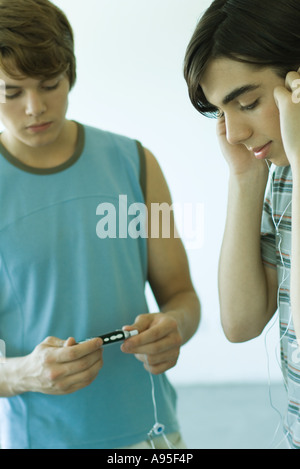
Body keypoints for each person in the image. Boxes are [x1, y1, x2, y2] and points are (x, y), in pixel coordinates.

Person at [0, 0, 200, 449]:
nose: (35, 107)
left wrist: (175, 330)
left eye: (50, 84)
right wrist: (19, 375)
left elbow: (182, 296)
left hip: (150, 435)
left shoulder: (136, 162)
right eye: (11, 92)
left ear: (70, 73)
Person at [184, 0, 300, 449]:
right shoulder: (284, 172)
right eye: (220, 112)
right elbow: (241, 322)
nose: (232, 132)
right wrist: (245, 179)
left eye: (247, 103)